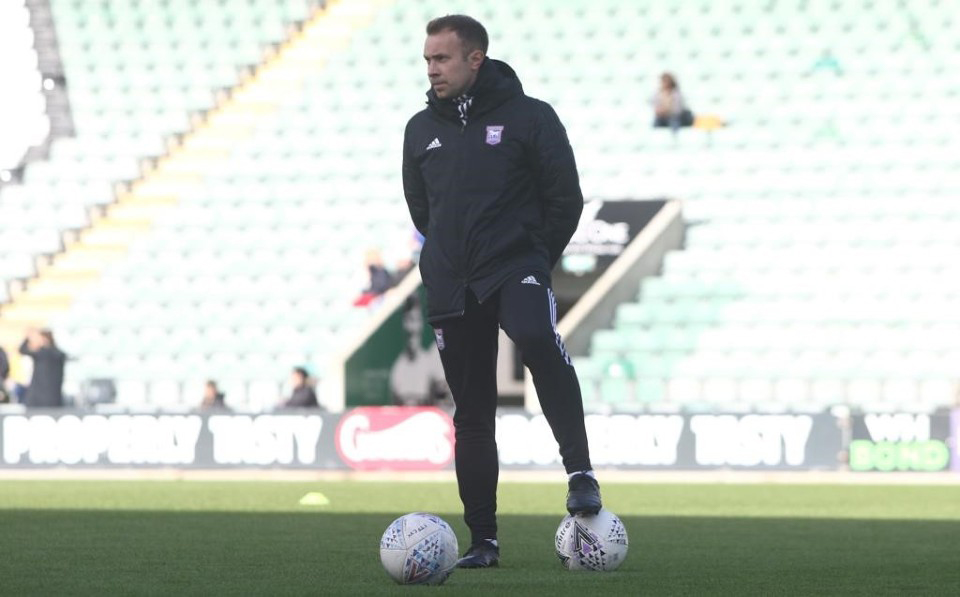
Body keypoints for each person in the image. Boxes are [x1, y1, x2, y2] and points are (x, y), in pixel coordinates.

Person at [402, 15, 601, 569]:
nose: (431, 69)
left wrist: (536, 255)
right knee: (472, 411)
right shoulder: (420, 129)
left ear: (474, 59)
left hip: (515, 265)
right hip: (451, 279)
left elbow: (566, 199)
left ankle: (580, 474)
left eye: (441, 59)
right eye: (427, 60)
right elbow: (423, 209)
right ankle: (483, 541)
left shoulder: (530, 117)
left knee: (537, 335)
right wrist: (446, 251)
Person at [18, 328, 66, 408]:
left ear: (44, 339)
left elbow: (22, 350)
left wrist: (27, 338)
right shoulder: (59, 354)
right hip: (54, 400)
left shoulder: (41, 354)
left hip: (38, 399)